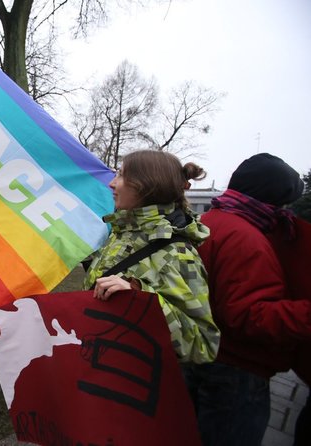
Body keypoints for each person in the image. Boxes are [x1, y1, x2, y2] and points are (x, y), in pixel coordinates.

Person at [182, 153, 311, 446]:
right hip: (236, 375)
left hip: (201, 357)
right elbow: (247, 315)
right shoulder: (247, 239)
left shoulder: (210, 222)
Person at [82, 149, 220, 365]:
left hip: (128, 381)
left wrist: (141, 298)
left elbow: (201, 344)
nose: (112, 183)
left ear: (145, 186)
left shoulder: (177, 253)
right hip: (98, 364)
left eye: (120, 175)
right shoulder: (122, 233)